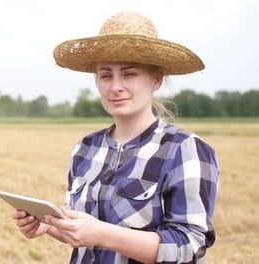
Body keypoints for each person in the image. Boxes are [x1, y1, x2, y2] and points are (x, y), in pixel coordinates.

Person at [12, 11, 219, 264]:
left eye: (129, 74)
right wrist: (52, 227)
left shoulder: (184, 149)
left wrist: (103, 234)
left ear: (156, 79)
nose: (115, 86)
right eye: (106, 75)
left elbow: (190, 245)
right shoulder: (85, 147)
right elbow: (84, 234)